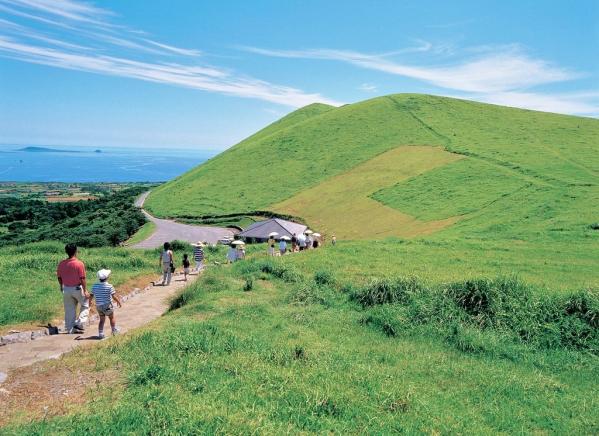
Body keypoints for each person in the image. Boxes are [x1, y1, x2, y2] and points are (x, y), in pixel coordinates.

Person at [57, 243, 89, 334]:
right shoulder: (79, 264)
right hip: (77, 288)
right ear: (76, 251)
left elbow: (59, 277)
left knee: (69, 309)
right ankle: (79, 323)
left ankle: (70, 329)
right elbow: (82, 278)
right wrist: (85, 290)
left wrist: (61, 286)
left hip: (66, 288)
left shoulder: (61, 263)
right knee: (86, 304)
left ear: (66, 252)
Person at [90, 269, 121, 339]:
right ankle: (113, 330)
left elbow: (91, 295)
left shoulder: (94, 286)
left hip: (99, 306)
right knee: (111, 317)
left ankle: (100, 333)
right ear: (107, 278)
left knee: (101, 320)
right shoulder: (109, 286)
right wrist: (118, 302)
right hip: (107, 305)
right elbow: (114, 296)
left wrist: (89, 302)